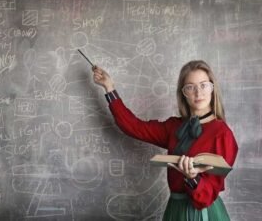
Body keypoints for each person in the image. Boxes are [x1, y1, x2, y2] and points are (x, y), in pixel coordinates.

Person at [92, 60, 238, 220]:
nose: (198, 92)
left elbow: (206, 197)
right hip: (175, 210)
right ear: (183, 93)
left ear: (212, 88)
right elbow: (133, 127)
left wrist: (192, 178)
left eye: (203, 85)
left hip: (205, 214)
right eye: (190, 87)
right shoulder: (174, 127)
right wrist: (109, 87)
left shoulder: (222, 134)